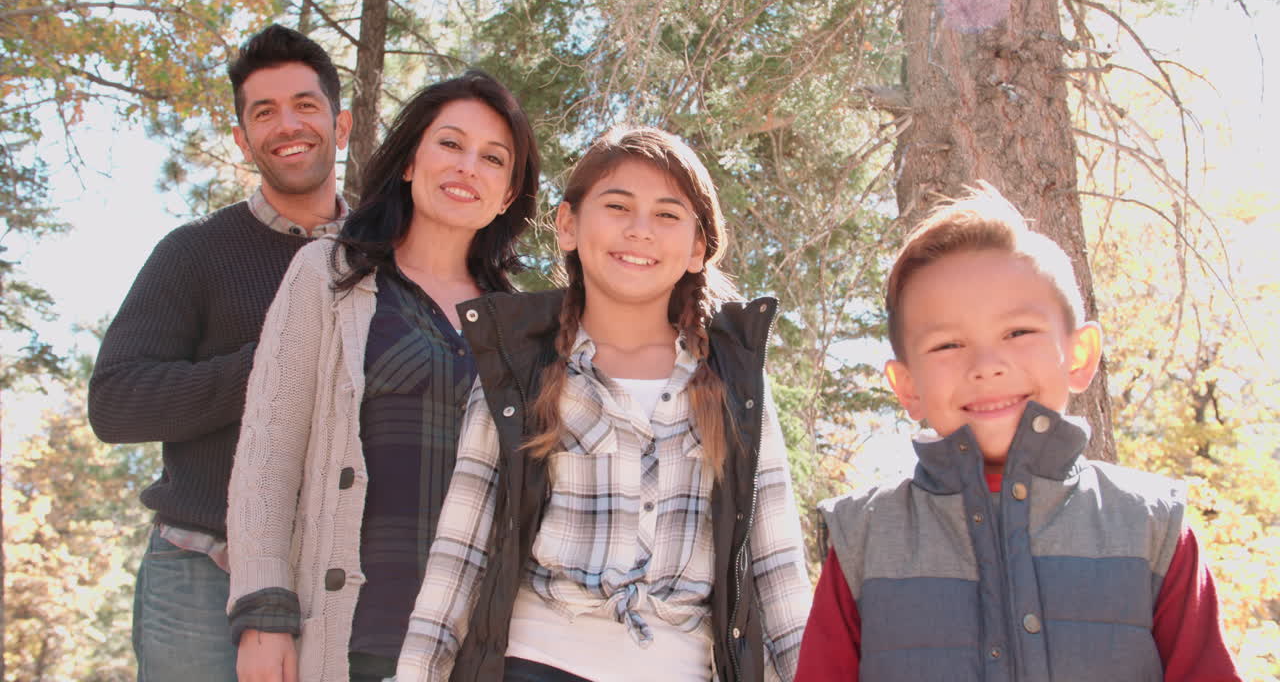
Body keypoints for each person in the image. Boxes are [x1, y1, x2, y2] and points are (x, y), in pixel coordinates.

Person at [395, 127, 812, 682]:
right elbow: (460, 554)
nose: (639, 230)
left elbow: (777, 571)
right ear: (568, 225)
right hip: (536, 662)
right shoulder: (521, 372)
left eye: (667, 215)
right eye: (617, 206)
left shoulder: (737, 382)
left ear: (696, 248)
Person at [792, 183, 1241, 682]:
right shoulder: (864, 537)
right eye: (947, 344)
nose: (987, 366)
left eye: (1018, 333)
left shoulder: (1150, 526)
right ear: (908, 386)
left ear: (1080, 354)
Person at [225, 69, 540, 682]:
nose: (466, 167)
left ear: (507, 195)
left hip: (476, 650)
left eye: (492, 158)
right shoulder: (328, 274)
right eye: (449, 144)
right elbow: (268, 454)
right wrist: (263, 612)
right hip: (356, 636)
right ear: (408, 161)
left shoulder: (523, 325)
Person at [88, 24, 351, 681]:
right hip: (201, 572)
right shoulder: (193, 251)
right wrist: (272, 367)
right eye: (264, 112)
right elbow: (115, 404)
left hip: (339, 575)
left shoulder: (383, 259)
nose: (287, 125)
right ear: (243, 140)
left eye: (305, 105)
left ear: (341, 126)